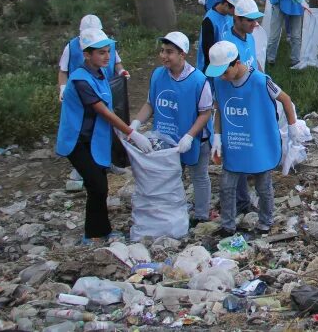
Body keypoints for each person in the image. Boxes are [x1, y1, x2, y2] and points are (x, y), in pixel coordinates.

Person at [56, 28, 152, 244]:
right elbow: (104, 111)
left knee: (100, 185)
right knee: (96, 185)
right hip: (77, 141)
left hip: (93, 140)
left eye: (108, 51)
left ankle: (102, 231)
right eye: (101, 53)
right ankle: (92, 234)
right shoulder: (80, 80)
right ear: (87, 55)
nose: (107, 57)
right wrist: (132, 133)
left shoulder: (99, 75)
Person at [207, 41, 300, 237]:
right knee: (226, 186)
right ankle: (228, 225)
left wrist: (292, 128)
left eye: (225, 72)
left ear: (237, 63)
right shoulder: (220, 82)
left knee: (263, 187)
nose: (223, 78)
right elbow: (219, 107)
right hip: (235, 141)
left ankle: (265, 222)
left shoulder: (260, 81)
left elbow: (285, 99)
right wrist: (216, 136)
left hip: (259, 143)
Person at [130, 32, 213, 227]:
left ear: (182, 54)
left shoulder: (198, 80)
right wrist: (135, 124)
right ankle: (171, 211)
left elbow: (205, 113)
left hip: (194, 139)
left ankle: (201, 214)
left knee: (199, 175)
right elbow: (151, 103)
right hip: (167, 139)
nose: (164, 56)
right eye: (162, 51)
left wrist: (189, 136)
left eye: (170, 52)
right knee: (169, 176)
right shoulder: (158, 75)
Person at [59, 14, 126, 101]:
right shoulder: (71, 47)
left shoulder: (109, 45)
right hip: (81, 92)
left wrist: (121, 71)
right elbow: (63, 71)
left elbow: (116, 63)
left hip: (106, 89)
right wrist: (63, 89)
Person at [197, 0, 244, 72]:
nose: (237, 13)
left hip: (226, 61)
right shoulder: (209, 21)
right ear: (226, 5)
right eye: (236, 9)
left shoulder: (228, 14)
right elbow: (208, 52)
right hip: (212, 67)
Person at [225, 0, 264, 69]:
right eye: (250, 20)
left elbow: (254, 60)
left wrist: (264, 77)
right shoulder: (228, 47)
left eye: (256, 19)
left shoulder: (249, 36)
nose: (254, 24)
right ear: (237, 18)